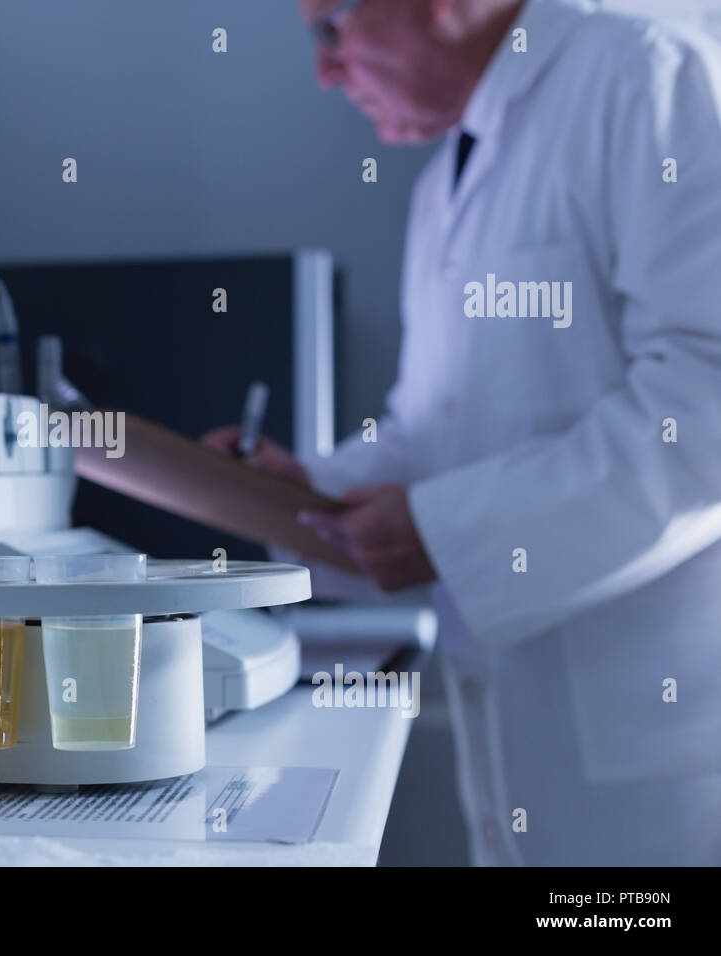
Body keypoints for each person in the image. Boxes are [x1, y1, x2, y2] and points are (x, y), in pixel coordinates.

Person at [204, 0, 721, 865]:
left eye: (331, 27)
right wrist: (303, 489)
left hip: (662, 782)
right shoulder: (451, 176)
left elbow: (705, 406)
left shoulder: (646, 74)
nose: (325, 72)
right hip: (530, 763)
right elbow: (434, 436)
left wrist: (447, 530)